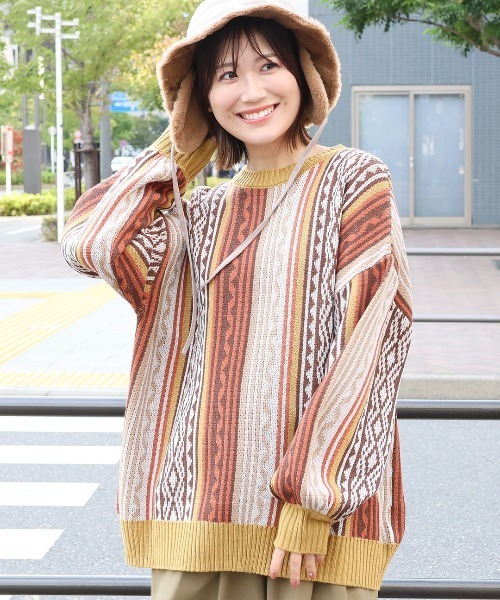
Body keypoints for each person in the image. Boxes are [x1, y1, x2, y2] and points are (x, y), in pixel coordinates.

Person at [61, 0, 412, 598]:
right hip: (196, 514)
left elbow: (374, 346)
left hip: (313, 532)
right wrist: (179, 149)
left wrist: (313, 500)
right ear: (200, 99)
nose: (251, 91)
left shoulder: (352, 181)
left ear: (303, 72)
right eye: (226, 75)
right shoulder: (199, 211)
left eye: (268, 65)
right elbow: (93, 243)